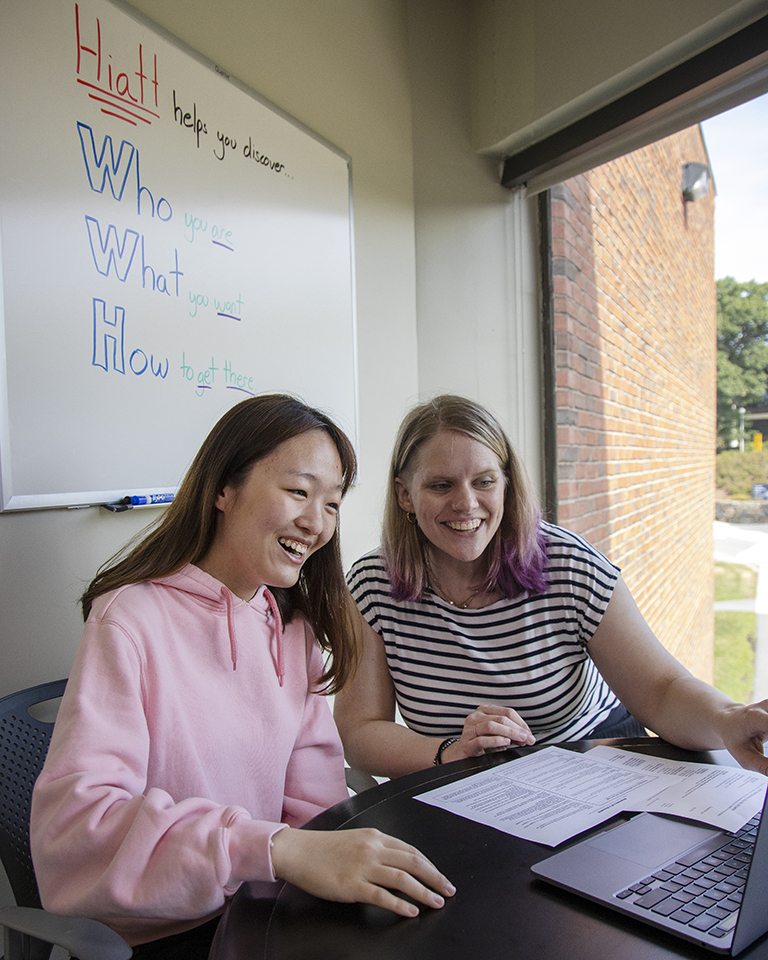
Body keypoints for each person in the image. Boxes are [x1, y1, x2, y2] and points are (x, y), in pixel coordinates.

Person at [30, 394, 454, 958]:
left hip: (269, 909)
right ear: (223, 491)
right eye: (299, 492)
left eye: (331, 504)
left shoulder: (291, 625)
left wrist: (334, 857)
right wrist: (271, 849)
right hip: (167, 930)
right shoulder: (129, 619)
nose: (316, 523)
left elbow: (314, 805)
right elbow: (81, 829)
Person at [334, 394, 768, 780]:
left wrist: (728, 719)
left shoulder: (570, 565)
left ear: (506, 484)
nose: (466, 503)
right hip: (463, 780)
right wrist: (453, 752)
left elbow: (661, 691)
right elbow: (360, 732)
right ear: (405, 495)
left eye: (484, 481)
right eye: (441, 485)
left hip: (590, 761)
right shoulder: (373, 585)